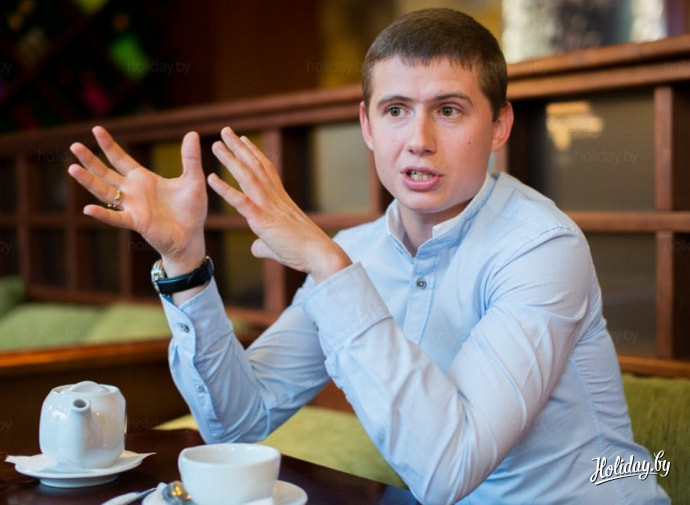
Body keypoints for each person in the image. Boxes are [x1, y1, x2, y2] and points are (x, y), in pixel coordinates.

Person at [67, 8, 670, 505]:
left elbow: (448, 471)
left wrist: (329, 269)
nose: (419, 141)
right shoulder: (356, 253)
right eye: (396, 110)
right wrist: (185, 265)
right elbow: (238, 423)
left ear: (499, 125)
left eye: (449, 110)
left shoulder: (541, 248)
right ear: (368, 125)